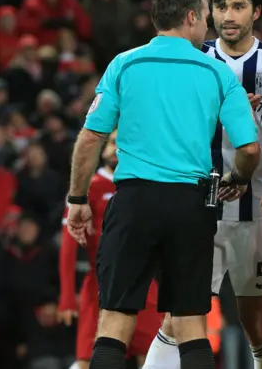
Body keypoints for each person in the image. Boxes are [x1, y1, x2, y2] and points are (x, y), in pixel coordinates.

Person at [65, 0, 260, 369]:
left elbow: (89, 139)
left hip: (135, 201)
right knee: (191, 324)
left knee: (115, 320)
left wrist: (77, 198)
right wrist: (237, 179)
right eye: (206, 16)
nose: (208, 24)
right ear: (190, 17)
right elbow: (250, 149)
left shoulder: (125, 64)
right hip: (192, 204)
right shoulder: (218, 74)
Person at [143, 0, 262, 369]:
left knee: (260, 329)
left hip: (257, 211)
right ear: (208, 12)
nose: (228, 15)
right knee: (180, 317)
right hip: (198, 208)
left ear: (256, 12)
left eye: (238, 6)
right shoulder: (193, 59)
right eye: (220, 6)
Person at [58, 130, 163, 369]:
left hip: (143, 281)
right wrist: (66, 297)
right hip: (101, 283)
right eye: (113, 142)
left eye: (122, 143)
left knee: (150, 356)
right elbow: (68, 246)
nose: (116, 148)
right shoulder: (87, 187)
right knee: (89, 358)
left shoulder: (145, 186)